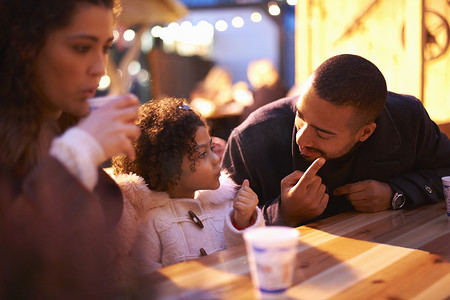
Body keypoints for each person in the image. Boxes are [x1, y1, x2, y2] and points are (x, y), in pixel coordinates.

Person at [0, 0, 140, 297]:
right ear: (26, 46)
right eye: (81, 48)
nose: (100, 69)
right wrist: (79, 151)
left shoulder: (63, 122)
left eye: (104, 48)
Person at [222, 54, 450, 227]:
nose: (302, 137)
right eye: (300, 116)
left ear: (365, 133)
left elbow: (445, 171)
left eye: (322, 133)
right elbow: (215, 225)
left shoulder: (406, 120)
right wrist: (282, 212)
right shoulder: (251, 138)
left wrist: (396, 193)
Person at [111, 98, 264, 274]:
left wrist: (242, 222)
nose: (216, 159)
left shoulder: (223, 205)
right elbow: (148, 284)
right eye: (202, 153)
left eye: (212, 148)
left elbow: (249, 261)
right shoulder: (150, 223)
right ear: (167, 166)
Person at [240, 58, 287, 123]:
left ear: (258, 75)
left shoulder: (264, 93)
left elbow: (250, 118)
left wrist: (245, 104)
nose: (250, 78)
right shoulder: (280, 88)